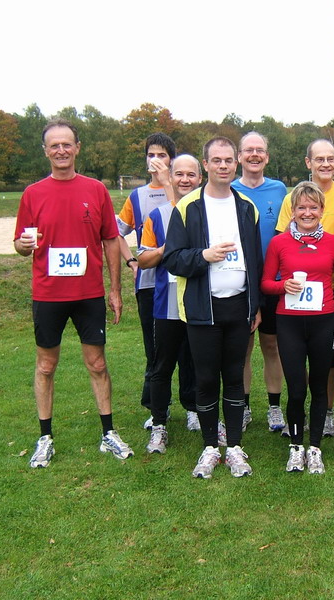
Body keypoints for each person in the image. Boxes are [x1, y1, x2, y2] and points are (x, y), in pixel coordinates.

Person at [14, 119, 133, 468]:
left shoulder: (95, 189)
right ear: (46, 151)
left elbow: (111, 239)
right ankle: (45, 437)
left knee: (97, 363)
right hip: (48, 294)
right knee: (46, 365)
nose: (61, 150)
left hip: (88, 294)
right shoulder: (32, 193)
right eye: (54, 145)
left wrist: (114, 289)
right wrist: (21, 246)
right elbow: (22, 245)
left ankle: (108, 433)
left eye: (67, 144)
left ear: (77, 148)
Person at [161, 136, 263, 479]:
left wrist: (256, 303)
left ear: (235, 164)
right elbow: (172, 258)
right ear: (206, 165)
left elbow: (256, 260)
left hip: (238, 307)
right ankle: (209, 446)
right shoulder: (187, 207)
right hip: (202, 309)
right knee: (206, 379)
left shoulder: (247, 206)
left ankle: (233, 446)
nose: (223, 165)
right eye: (216, 160)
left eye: (228, 160)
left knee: (234, 377)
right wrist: (203, 256)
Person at [261, 181, 334, 474]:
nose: (307, 212)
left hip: (323, 320)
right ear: (292, 211)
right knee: (296, 389)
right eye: (301, 207)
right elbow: (266, 284)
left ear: (321, 210)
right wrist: (284, 285)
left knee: (319, 387)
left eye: (313, 207)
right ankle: (296, 446)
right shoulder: (279, 242)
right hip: (289, 321)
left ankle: (315, 447)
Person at [275, 139, 334, 438]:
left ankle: (327, 414)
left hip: (333, 295)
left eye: (330, 158)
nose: (325, 164)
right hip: (295, 300)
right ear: (308, 162)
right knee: (297, 370)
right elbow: (282, 244)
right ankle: (296, 422)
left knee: (329, 365)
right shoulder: (293, 197)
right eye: (319, 158)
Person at [137, 154, 203, 454]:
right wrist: (169, 248)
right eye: (180, 174)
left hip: (199, 301)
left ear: (199, 178)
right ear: (171, 178)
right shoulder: (158, 215)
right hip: (166, 304)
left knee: (198, 362)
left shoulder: (207, 213)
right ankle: (159, 422)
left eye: (191, 174)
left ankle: (194, 409)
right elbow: (143, 258)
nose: (185, 180)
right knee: (162, 366)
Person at [115, 133, 177, 428]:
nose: (156, 160)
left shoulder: (182, 189)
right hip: (150, 282)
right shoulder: (136, 196)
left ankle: (192, 405)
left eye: (162, 155)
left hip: (181, 281)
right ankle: (156, 409)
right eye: (152, 154)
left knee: (187, 350)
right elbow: (114, 232)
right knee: (155, 351)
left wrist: (169, 184)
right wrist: (130, 261)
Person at [232, 132, 287, 433]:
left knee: (272, 346)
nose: (254, 155)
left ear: (267, 156)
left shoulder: (280, 190)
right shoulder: (228, 189)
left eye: (260, 150)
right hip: (240, 281)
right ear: (239, 156)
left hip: (273, 281)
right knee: (242, 348)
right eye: (248, 150)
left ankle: (275, 407)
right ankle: (243, 405)